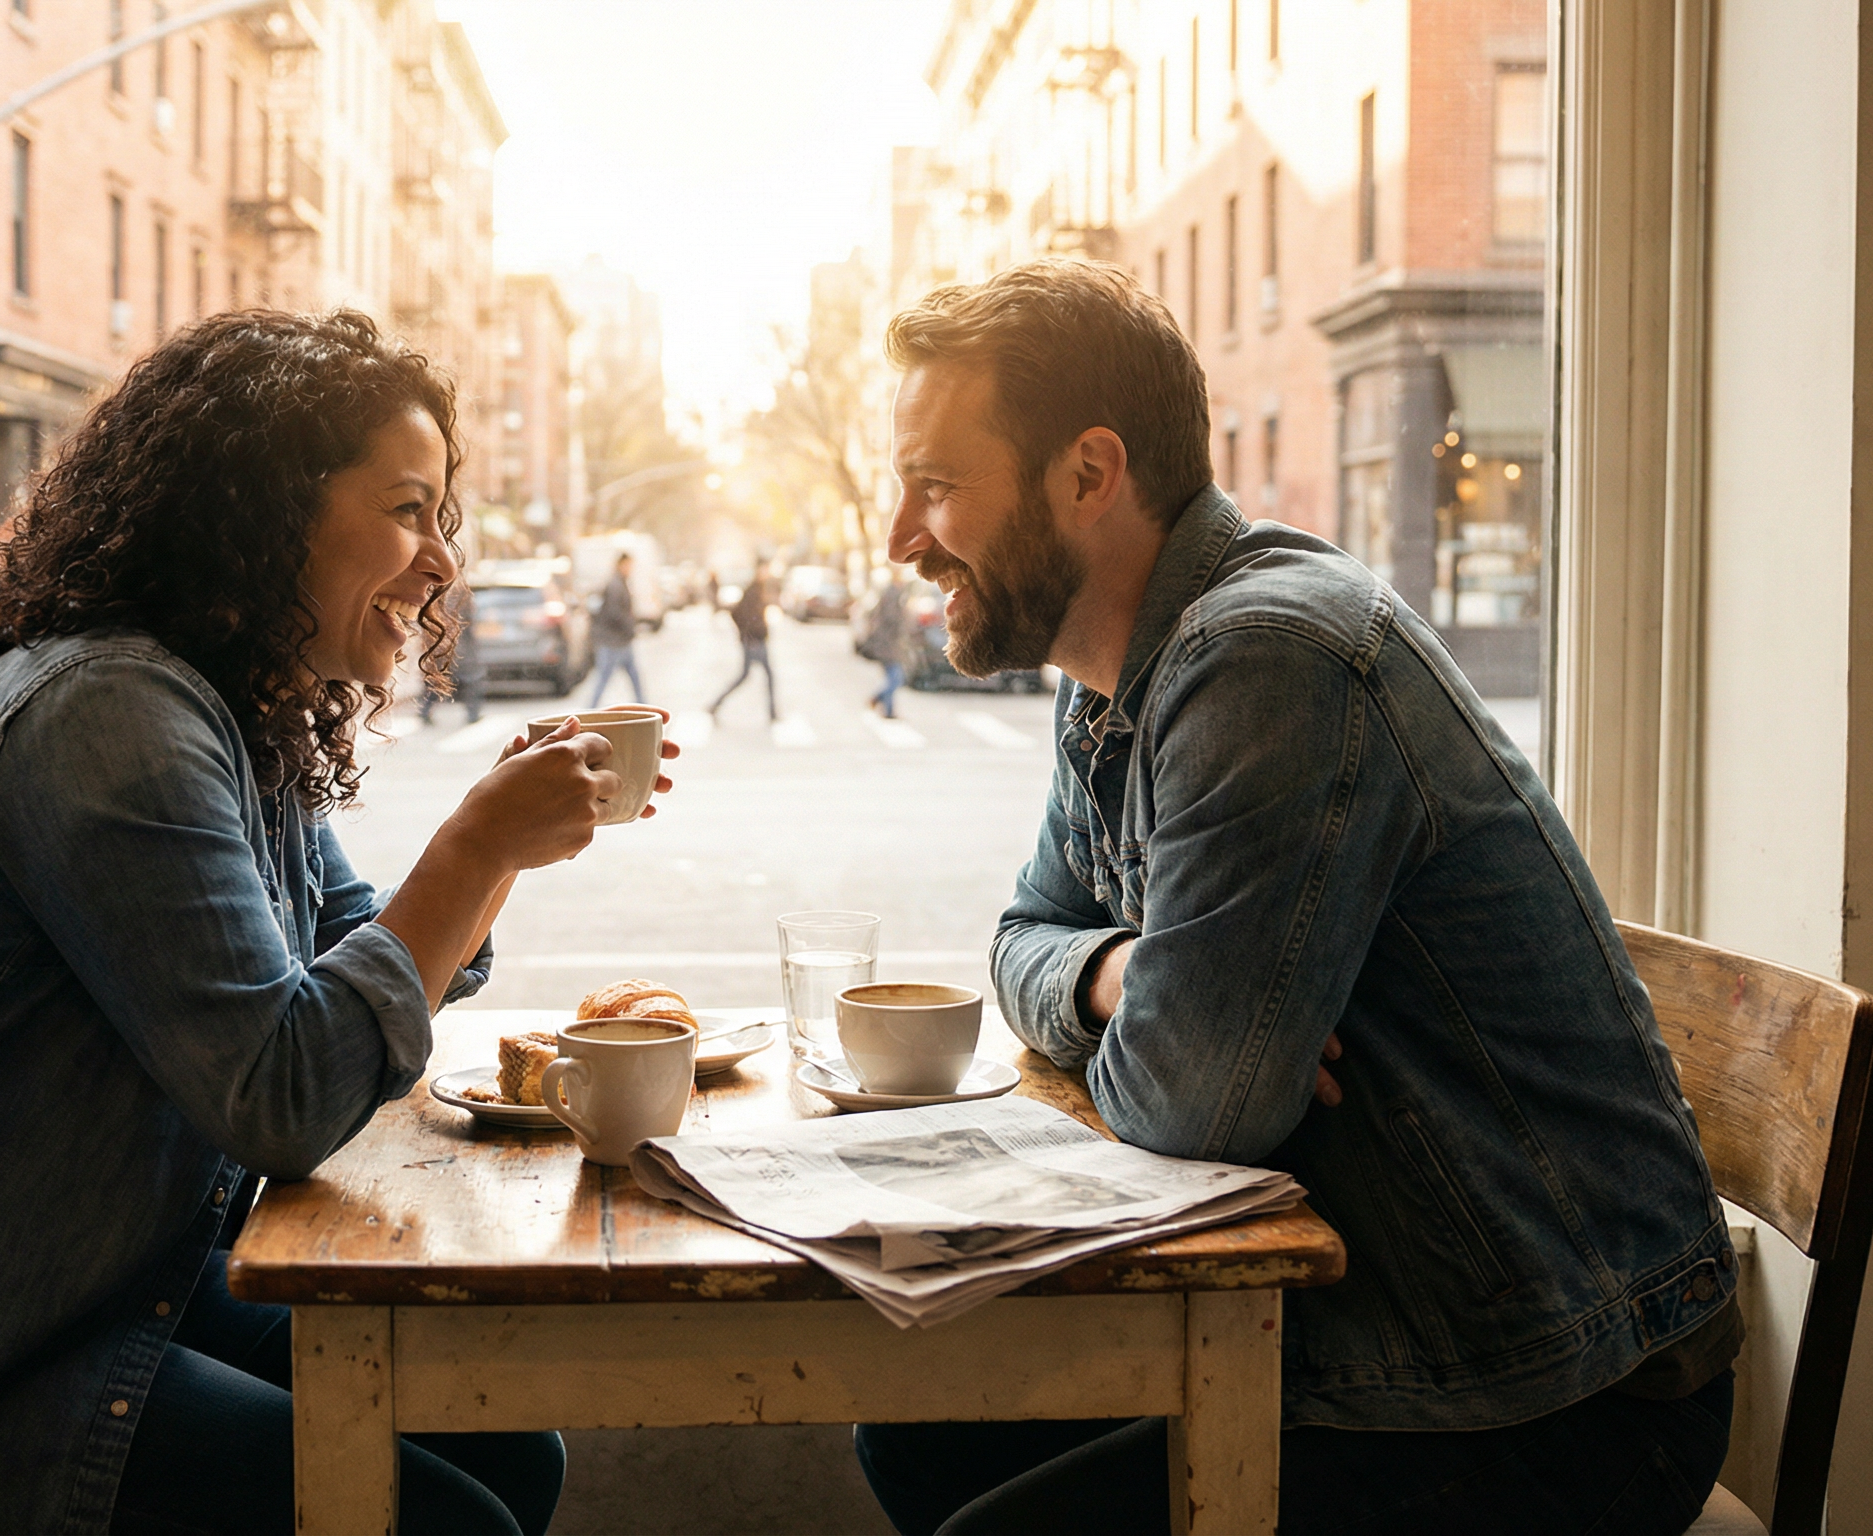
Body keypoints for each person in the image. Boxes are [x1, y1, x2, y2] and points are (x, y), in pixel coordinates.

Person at [0, 311, 677, 1536]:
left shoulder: (224, 706)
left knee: (507, 1444)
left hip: (73, 1280)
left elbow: (359, 954)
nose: (441, 564)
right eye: (408, 509)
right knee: (453, 1516)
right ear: (267, 509)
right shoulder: (110, 713)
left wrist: (503, 844)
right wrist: (475, 845)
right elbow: (286, 1096)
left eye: (440, 518)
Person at [853, 259, 1738, 1535]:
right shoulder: (1109, 674)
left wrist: (1163, 1023)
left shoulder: (1268, 657)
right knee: (913, 1439)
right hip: (1388, 1320)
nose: (900, 535)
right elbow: (1018, 942)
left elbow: (1186, 1105)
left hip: (1551, 1387)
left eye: (935, 486)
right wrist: (1118, 976)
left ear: (1088, 474)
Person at [707, 570, 776, 723]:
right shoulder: (753, 592)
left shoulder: (756, 590)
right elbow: (739, 614)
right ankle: (772, 713)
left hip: (755, 641)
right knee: (761, 676)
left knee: (747, 676)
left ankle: (715, 705)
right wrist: (749, 635)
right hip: (755, 642)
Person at [421, 578, 486, 726]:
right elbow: (468, 620)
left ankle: (425, 711)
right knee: (470, 679)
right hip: (456, 644)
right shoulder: (460, 590)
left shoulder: (436, 588)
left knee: (438, 679)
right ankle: (472, 713)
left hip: (441, 643)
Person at [587, 551, 647, 706]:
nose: (630, 569)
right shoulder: (615, 584)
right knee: (604, 678)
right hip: (613, 641)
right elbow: (614, 613)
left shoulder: (620, 582)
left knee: (634, 676)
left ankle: (644, 706)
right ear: (621, 565)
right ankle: (588, 711)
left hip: (620, 641)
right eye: (628, 565)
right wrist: (630, 626)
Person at [861, 570, 917, 719]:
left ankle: (888, 710)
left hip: (887, 644)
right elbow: (892, 619)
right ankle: (877, 699)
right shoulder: (893, 594)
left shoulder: (892, 593)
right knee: (896, 677)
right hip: (888, 644)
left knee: (893, 677)